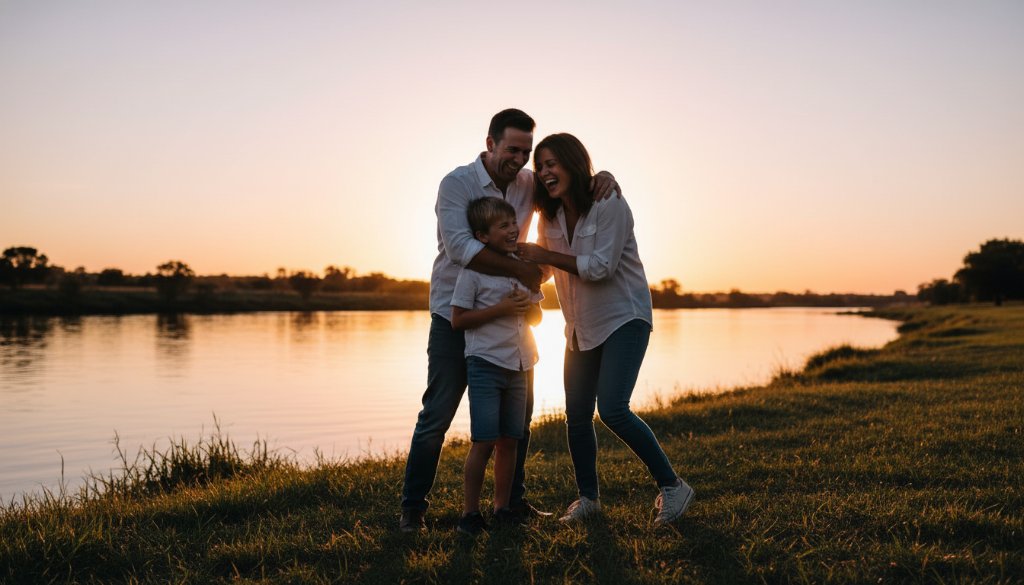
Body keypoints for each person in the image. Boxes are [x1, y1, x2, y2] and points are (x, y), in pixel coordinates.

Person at [399, 109, 619, 532]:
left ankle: (510, 504)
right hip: (454, 313)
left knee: (517, 422)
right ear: (490, 144)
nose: (519, 159)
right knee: (437, 415)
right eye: (511, 149)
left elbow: (567, 184)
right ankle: (413, 508)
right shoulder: (456, 184)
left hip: (511, 323)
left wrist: (603, 175)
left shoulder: (528, 184)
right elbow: (462, 247)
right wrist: (522, 271)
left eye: (526, 151)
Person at [518, 133, 695, 527]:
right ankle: (588, 499)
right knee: (576, 416)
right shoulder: (549, 217)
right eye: (540, 165)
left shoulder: (609, 202)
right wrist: (516, 263)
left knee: (613, 408)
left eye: (552, 163)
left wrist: (544, 253)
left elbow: (600, 267)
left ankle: (673, 486)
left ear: (573, 162)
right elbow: (546, 269)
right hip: (579, 327)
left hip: (624, 318)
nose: (545, 171)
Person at [449, 196, 543, 535]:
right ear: (483, 236)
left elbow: (537, 315)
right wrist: (501, 309)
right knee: (484, 441)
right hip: (486, 364)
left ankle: (502, 508)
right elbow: (458, 320)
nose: (512, 229)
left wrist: (525, 307)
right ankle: (469, 515)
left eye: (513, 223)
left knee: (510, 441)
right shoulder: (472, 273)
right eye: (503, 226)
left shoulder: (522, 270)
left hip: (521, 365)